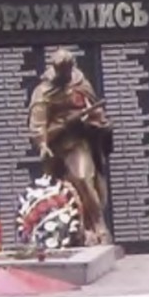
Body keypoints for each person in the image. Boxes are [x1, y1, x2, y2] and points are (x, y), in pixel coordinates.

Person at [27, 48, 113, 245]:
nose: (66, 74)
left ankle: (98, 224)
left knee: (82, 178)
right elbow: (38, 122)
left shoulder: (80, 84)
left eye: (68, 70)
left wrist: (96, 121)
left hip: (78, 143)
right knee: (60, 191)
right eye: (62, 71)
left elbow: (96, 111)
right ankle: (71, 229)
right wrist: (43, 143)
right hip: (57, 146)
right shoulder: (44, 91)